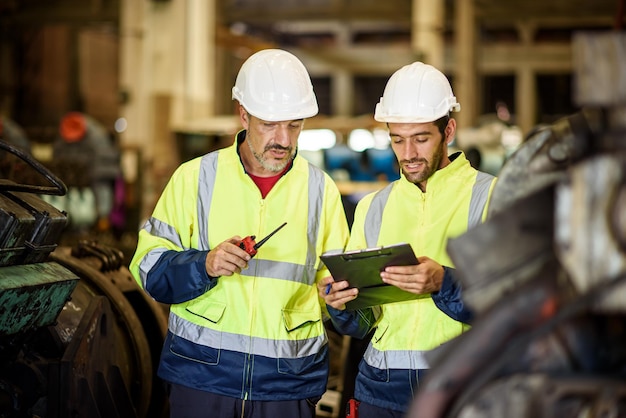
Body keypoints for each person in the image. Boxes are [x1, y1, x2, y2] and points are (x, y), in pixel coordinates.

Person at [129, 48, 350, 418]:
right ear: (243, 115)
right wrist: (205, 265)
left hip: (287, 384)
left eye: (294, 125)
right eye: (269, 125)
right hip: (202, 378)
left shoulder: (320, 190)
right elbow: (148, 269)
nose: (283, 138)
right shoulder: (194, 178)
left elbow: (337, 282)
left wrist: (337, 295)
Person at [319, 61, 497, 418]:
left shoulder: (494, 196)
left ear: (448, 131)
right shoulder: (373, 207)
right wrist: (341, 307)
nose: (408, 153)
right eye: (397, 139)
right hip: (381, 389)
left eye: (421, 138)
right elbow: (364, 321)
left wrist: (444, 282)